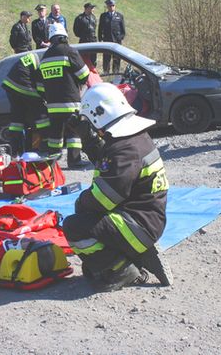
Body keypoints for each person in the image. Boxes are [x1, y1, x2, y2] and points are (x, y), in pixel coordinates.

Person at [63, 82, 173, 290]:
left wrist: (81, 202)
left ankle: (125, 270)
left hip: (138, 224)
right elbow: (109, 165)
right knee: (92, 260)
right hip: (144, 218)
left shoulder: (124, 149)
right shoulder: (132, 138)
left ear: (97, 115)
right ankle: (131, 254)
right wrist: (88, 138)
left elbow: (104, 198)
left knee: (75, 226)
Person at [39, 23, 90, 169]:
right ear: (64, 36)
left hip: (52, 105)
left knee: (55, 136)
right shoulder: (69, 51)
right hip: (70, 103)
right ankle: (74, 161)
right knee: (74, 132)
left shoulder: (45, 56)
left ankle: (52, 164)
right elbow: (84, 75)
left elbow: (42, 84)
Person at [2, 51, 49, 155]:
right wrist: (45, 99)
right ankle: (45, 144)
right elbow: (41, 86)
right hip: (22, 84)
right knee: (41, 113)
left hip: (10, 85)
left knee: (17, 118)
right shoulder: (44, 62)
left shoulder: (38, 56)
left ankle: (15, 149)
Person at [98, 0, 126, 74]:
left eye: (113, 6)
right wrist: (100, 39)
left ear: (115, 6)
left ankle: (115, 73)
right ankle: (106, 73)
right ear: (107, 6)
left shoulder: (119, 16)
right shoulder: (103, 16)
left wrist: (120, 38)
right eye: (110, 6)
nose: (111, 7)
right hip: (107, 41)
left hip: (117, 42)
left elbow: (123, 30)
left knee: (116, 59)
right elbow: (100, 28)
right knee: (106, 59)